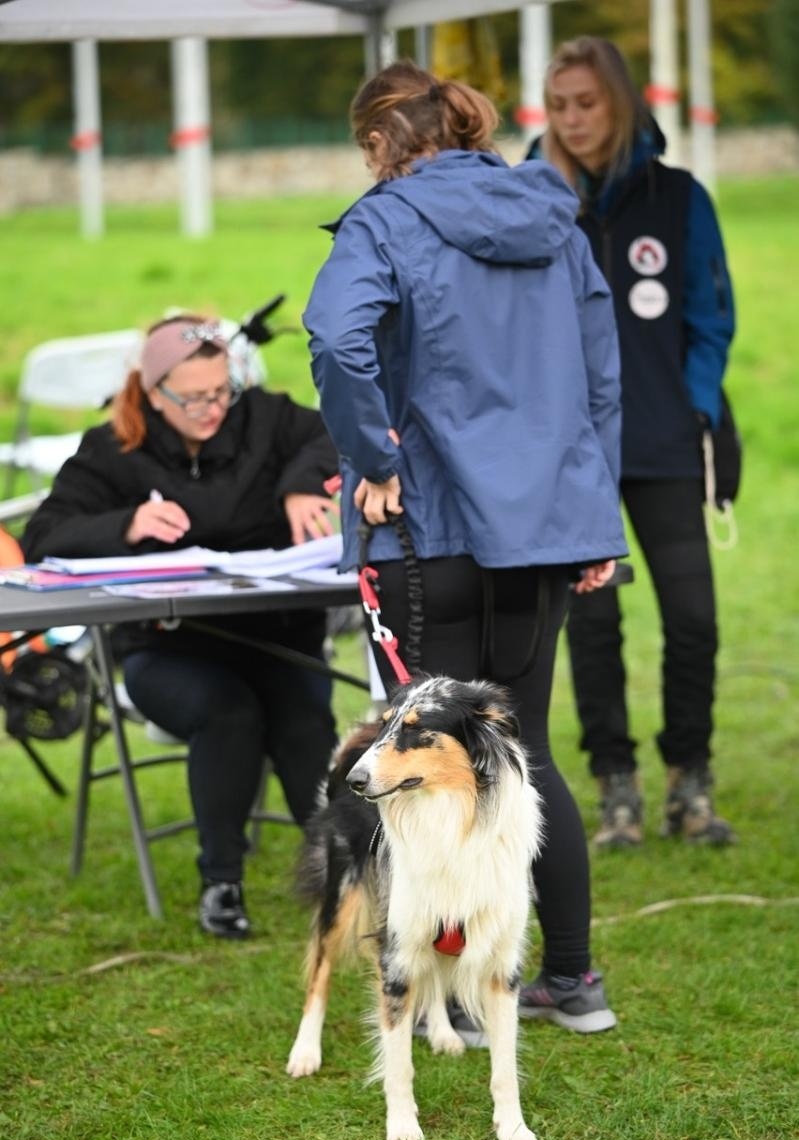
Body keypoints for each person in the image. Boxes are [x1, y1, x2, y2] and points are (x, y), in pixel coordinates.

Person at [304, 61, 628, 1035]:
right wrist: (587, 515)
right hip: (540, 530)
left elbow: (333, 335)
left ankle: (460, 1000)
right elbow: (601, 376)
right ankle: (569, 980)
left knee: (424, 767)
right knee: (517, 754)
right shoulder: (552, 215)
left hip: (424, 530)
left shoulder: (383, 218)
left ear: (378, 143)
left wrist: (372, 451)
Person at [21, 314, 340, 937]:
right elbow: (41, 537)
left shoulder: (267, 419)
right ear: (152, 393)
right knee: (228, 712)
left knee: (304, 715)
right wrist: (126, 528)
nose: (210, 409)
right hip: (166, 650)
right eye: (192, 398)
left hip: (277, 634)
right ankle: (222, 881)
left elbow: (336, 433)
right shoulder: (110, 451)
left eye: (221, 392)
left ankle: (339, 870)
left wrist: (304, 484)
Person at [529, 37, 736, 848]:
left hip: (660, 441)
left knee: (692, 617)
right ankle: (614, 787)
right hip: (568, 450)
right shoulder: (529, 197)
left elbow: (710, 318)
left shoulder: (678, 198)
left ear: (618, 101)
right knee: (591, 621)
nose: (572, 120)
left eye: (586, 102)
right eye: (557, 106)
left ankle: (691, 778)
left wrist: (690, 407)